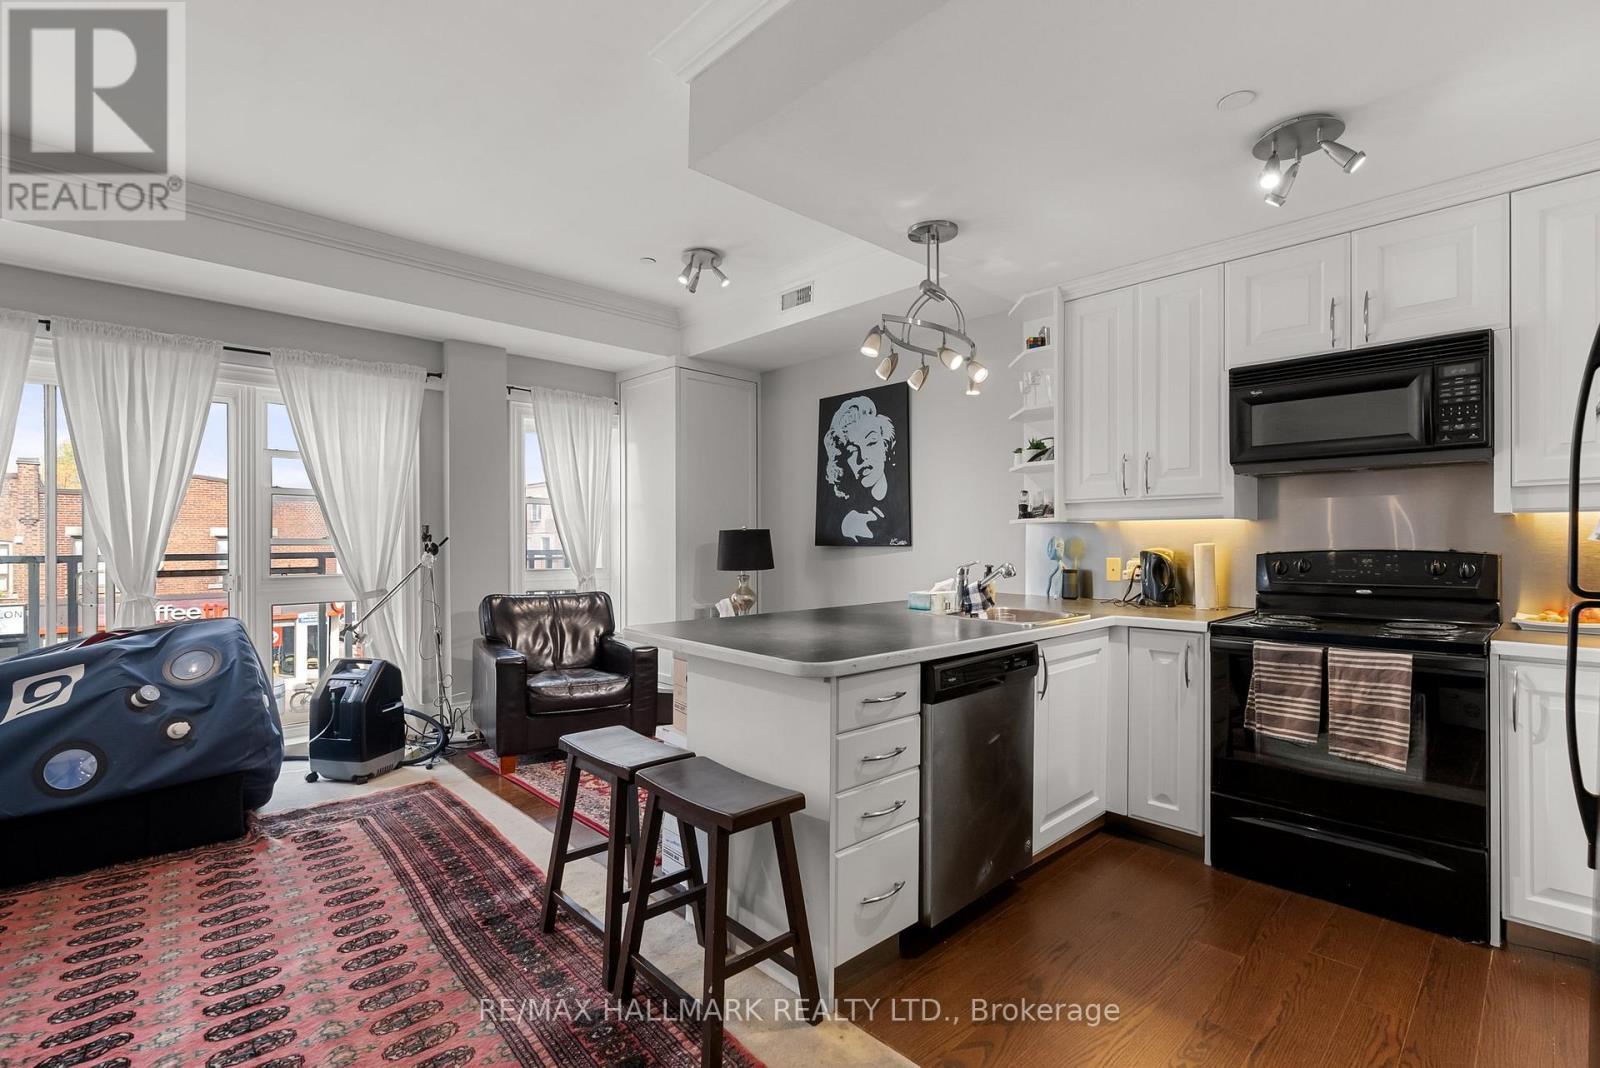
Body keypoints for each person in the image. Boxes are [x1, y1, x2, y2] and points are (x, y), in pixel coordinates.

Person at [821, 394, 908, 545]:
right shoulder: (850, 524)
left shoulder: (903, 509)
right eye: (852, 451)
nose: (862, 457)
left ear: (885, 446)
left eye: (871, 442)